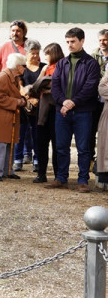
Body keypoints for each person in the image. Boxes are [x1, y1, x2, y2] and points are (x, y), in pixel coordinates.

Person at [46, 27, 101, 193]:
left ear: (82, 41)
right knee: (61, 146)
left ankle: (83, 180)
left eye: (73, 41)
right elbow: (54, 86)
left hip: (83, 112)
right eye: (67, 42)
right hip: (62, 112)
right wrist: (63, 102)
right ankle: (61, 178)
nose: (69, 45)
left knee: (84, 148)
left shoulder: (91, 63)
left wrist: (72, 102)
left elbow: (90, 87)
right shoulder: (62, 63)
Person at [0, 53, 27, 182]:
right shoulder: (3, 77)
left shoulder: (13, 77)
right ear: (18, 66)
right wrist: (17, 102)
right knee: (0, 145)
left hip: (8, 118)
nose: (25, 68)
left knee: (9, 144)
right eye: (24, 66)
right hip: (0, 118)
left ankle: (7, 170)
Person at [27, 43, 64, 183]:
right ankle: (42, 174)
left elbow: (58, 86)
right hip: (43, 111)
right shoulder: (46, 68)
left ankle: (58, 175)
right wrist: (42, 76)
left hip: (56, 110)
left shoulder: (62, 67)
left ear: (53, 54)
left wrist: (47, 87)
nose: (44, 57)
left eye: (47, 54)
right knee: (41, 143)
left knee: (57, 144)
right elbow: (36, 88)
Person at [13, 39, 45, 172]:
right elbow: (19, 86)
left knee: (37, 133)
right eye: (33, 53)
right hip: (23, 106)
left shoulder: (43, 67)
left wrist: (35, 100)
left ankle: (37, 160)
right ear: (26, 53)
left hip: (39, 106)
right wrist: (29, 99)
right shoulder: (22, 68)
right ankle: (18, 160)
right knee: (20, 133)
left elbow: (44, 85)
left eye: (37, 53)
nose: (36, 56)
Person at [89, 29, 108, 184]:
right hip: (95, 100)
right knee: (91, 132)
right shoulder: (93, 55)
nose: (103, 43)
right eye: (100, 40)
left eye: (105, 40)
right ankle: (91, 160)